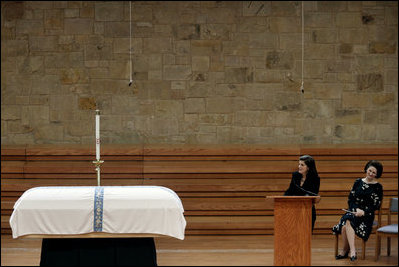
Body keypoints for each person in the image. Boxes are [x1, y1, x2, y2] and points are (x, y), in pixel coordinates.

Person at [332, 160, 383, 262]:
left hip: (367, 215)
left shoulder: (378, 187)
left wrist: (363, 212)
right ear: (366, 169)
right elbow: (350, 199)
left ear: (377, 174)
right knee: (348, 220)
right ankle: (352, 251)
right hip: (354, 212)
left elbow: (376, 205)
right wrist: (356, 210)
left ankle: (346, 251)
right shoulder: (357, 182)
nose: (371, 174)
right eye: (370, 171)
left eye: (374, 172)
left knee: (345, 225)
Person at [284, 155, 320, 231]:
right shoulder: (295, 176)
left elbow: (313, 194)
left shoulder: (315, 179)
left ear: (308, 167)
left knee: (305, 237)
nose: (299, 166)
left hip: (307, 211)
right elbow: (290, 190)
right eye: (299, 164)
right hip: (294, 210)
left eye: (302, 165)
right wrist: (283, 198)